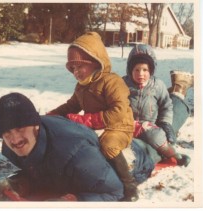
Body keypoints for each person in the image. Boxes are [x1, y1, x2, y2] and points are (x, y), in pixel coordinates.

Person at [0, 92, 160, 202]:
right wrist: (20, 183)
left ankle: (175, 97)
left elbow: (116, 191)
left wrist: (76, 201)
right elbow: (44, 167)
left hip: (135, 155)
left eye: (20, 128)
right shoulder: (10, 147)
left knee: (159, 140)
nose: (14, 138)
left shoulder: (78, 155)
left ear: (35, 125)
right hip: (92, 141)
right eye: (7, 132)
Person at [46, 31, 138, 201]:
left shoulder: (112, 81)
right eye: (73, 68)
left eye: (80, 66)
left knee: (108, 145)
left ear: (96, 62)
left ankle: (129, 184)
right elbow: (71, 106)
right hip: (96, 127)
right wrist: (51, 116)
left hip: (119, 127)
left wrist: (88, 120)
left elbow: (119, 110)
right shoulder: (81, 86)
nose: (76, 72)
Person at [122, 44, 192, 167]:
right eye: (136, 70)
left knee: (158, 138)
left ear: (151, 70)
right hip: (128, 125)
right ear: (130, 70)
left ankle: (173, 154)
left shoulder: (157, 86)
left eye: (145, 70)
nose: (141, 74)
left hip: (149, 127)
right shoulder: (122, 85)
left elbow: (166, 106)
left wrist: (165, 124)